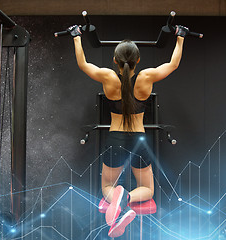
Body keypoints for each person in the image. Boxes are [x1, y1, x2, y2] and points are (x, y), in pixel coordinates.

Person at [67, 24, 187, 237]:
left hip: (116, 138)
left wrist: (76, 36)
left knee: (107, 187)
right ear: (138, 60)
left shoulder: (108, 77)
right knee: (147, 189)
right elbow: (174, 64)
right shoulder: (146, 77)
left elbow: (83, 64)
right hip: (139, 139)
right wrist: (180, 37)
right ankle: (128, 198)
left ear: (115, 60)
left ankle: (119, 199)